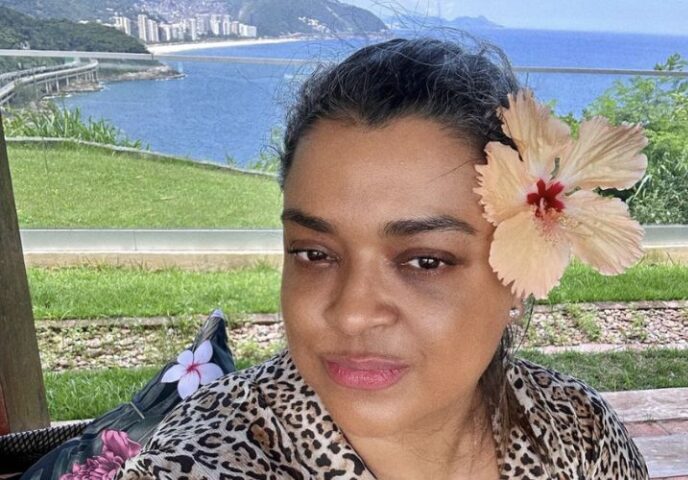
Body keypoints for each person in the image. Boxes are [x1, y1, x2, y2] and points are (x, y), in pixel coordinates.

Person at [115, 37, 649, 479]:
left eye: (425, 261)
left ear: (518, 275)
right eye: (313, 253)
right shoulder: (198, 465)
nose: (352, 313)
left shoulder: (576, 430)